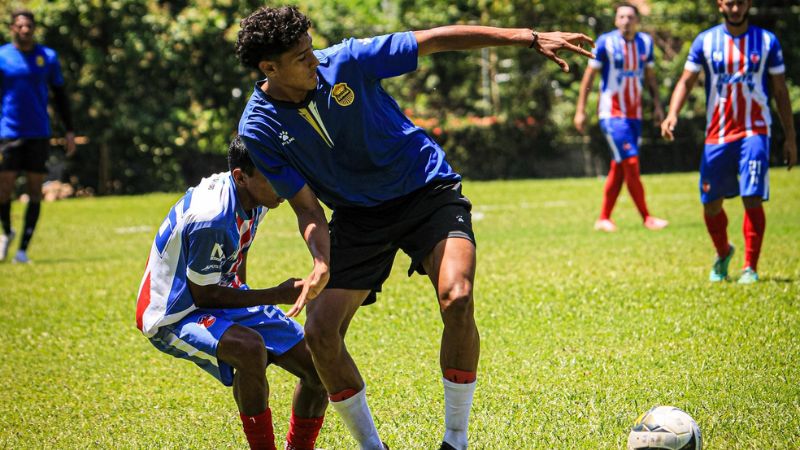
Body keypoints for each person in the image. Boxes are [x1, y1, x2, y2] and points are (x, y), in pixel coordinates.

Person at [235, 6, 594, 449]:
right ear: (269, 68)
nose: (315, 61)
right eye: (301, 57)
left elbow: (435, 39)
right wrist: (321, 261)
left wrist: (526, 37)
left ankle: (455, 441)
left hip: (425, 189)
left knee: (457, 297)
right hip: (358, 215)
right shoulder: (259, 127)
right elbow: (307, 208)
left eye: (312, 49)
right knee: (319, 333)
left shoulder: (347, 60)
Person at [135, 137, 328, 450]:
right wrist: (276, 294)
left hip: (215, 293)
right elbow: (205, 296)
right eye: (273, 178)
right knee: (250, 349)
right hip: (173, 312)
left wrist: (247, 304)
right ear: (241, 176)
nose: (282, 186)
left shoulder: (256, 194)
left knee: (320, 365)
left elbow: (239, 248)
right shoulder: (212, 218)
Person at [661, 0, 796, 283]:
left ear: (749, 4)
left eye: (741, 2)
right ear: (721, 4)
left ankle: (750, 267)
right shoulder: (705, 41)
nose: (736, 8)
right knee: (711, 202)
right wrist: (672, 113)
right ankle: (724, 253)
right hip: (718, 133)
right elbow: (686, 81)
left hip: (755, 130)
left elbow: (781, 91)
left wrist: (790, 138)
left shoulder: (767, 41)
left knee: (752, 196)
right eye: (730, 2)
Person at [574, 2, 669, 232]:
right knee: (631, 162)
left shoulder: (645, 43)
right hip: (612, 114)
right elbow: (589, 76)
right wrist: (580, 110)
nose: (626, 21)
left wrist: (658, 107)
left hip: (634, 115)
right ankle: (647, 217)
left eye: (630, 17)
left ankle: (604, 218)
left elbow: (650, 77)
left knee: (619, 166)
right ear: (616, 21)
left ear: (637, 21)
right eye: (621, 17)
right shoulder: (606, 42)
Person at [0, 8, 76, 263]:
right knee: (5, 187)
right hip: (8, 132)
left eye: (29, 26)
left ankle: (22, 250)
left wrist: (69, 130)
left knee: (35, 189)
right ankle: (6, 231)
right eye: (20, 26)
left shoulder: (48, 57)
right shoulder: (2, 57)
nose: (25, 30)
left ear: (33, 28)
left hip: (38, 133)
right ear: (12, 28)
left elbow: (60, 95)